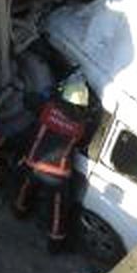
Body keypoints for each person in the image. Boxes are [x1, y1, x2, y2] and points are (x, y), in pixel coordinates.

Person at [13, 72, 90, 253]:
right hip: (58, 175)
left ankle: (19, 211)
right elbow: (83, 142)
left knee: (25, 189)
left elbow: (28, 100)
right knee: (57, 210)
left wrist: (50, 93)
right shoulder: (81, 126)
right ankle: (55, 244)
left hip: (35, 164)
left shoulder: (48, 109)